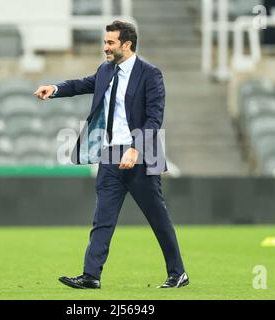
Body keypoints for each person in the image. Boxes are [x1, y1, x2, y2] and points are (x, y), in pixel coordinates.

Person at [34, 20, 188, 289]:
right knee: (102, 220)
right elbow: (82, 84)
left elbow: (155, 117)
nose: (105, 47)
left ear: (126, 45)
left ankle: (178, 273)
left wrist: (135, 148)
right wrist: (55, 89)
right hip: (109, 157)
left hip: (139, 156)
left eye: (110, 43)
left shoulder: (150, 74)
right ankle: (91, 276)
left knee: (158, 219)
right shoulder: (105, 70)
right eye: (105, 42)